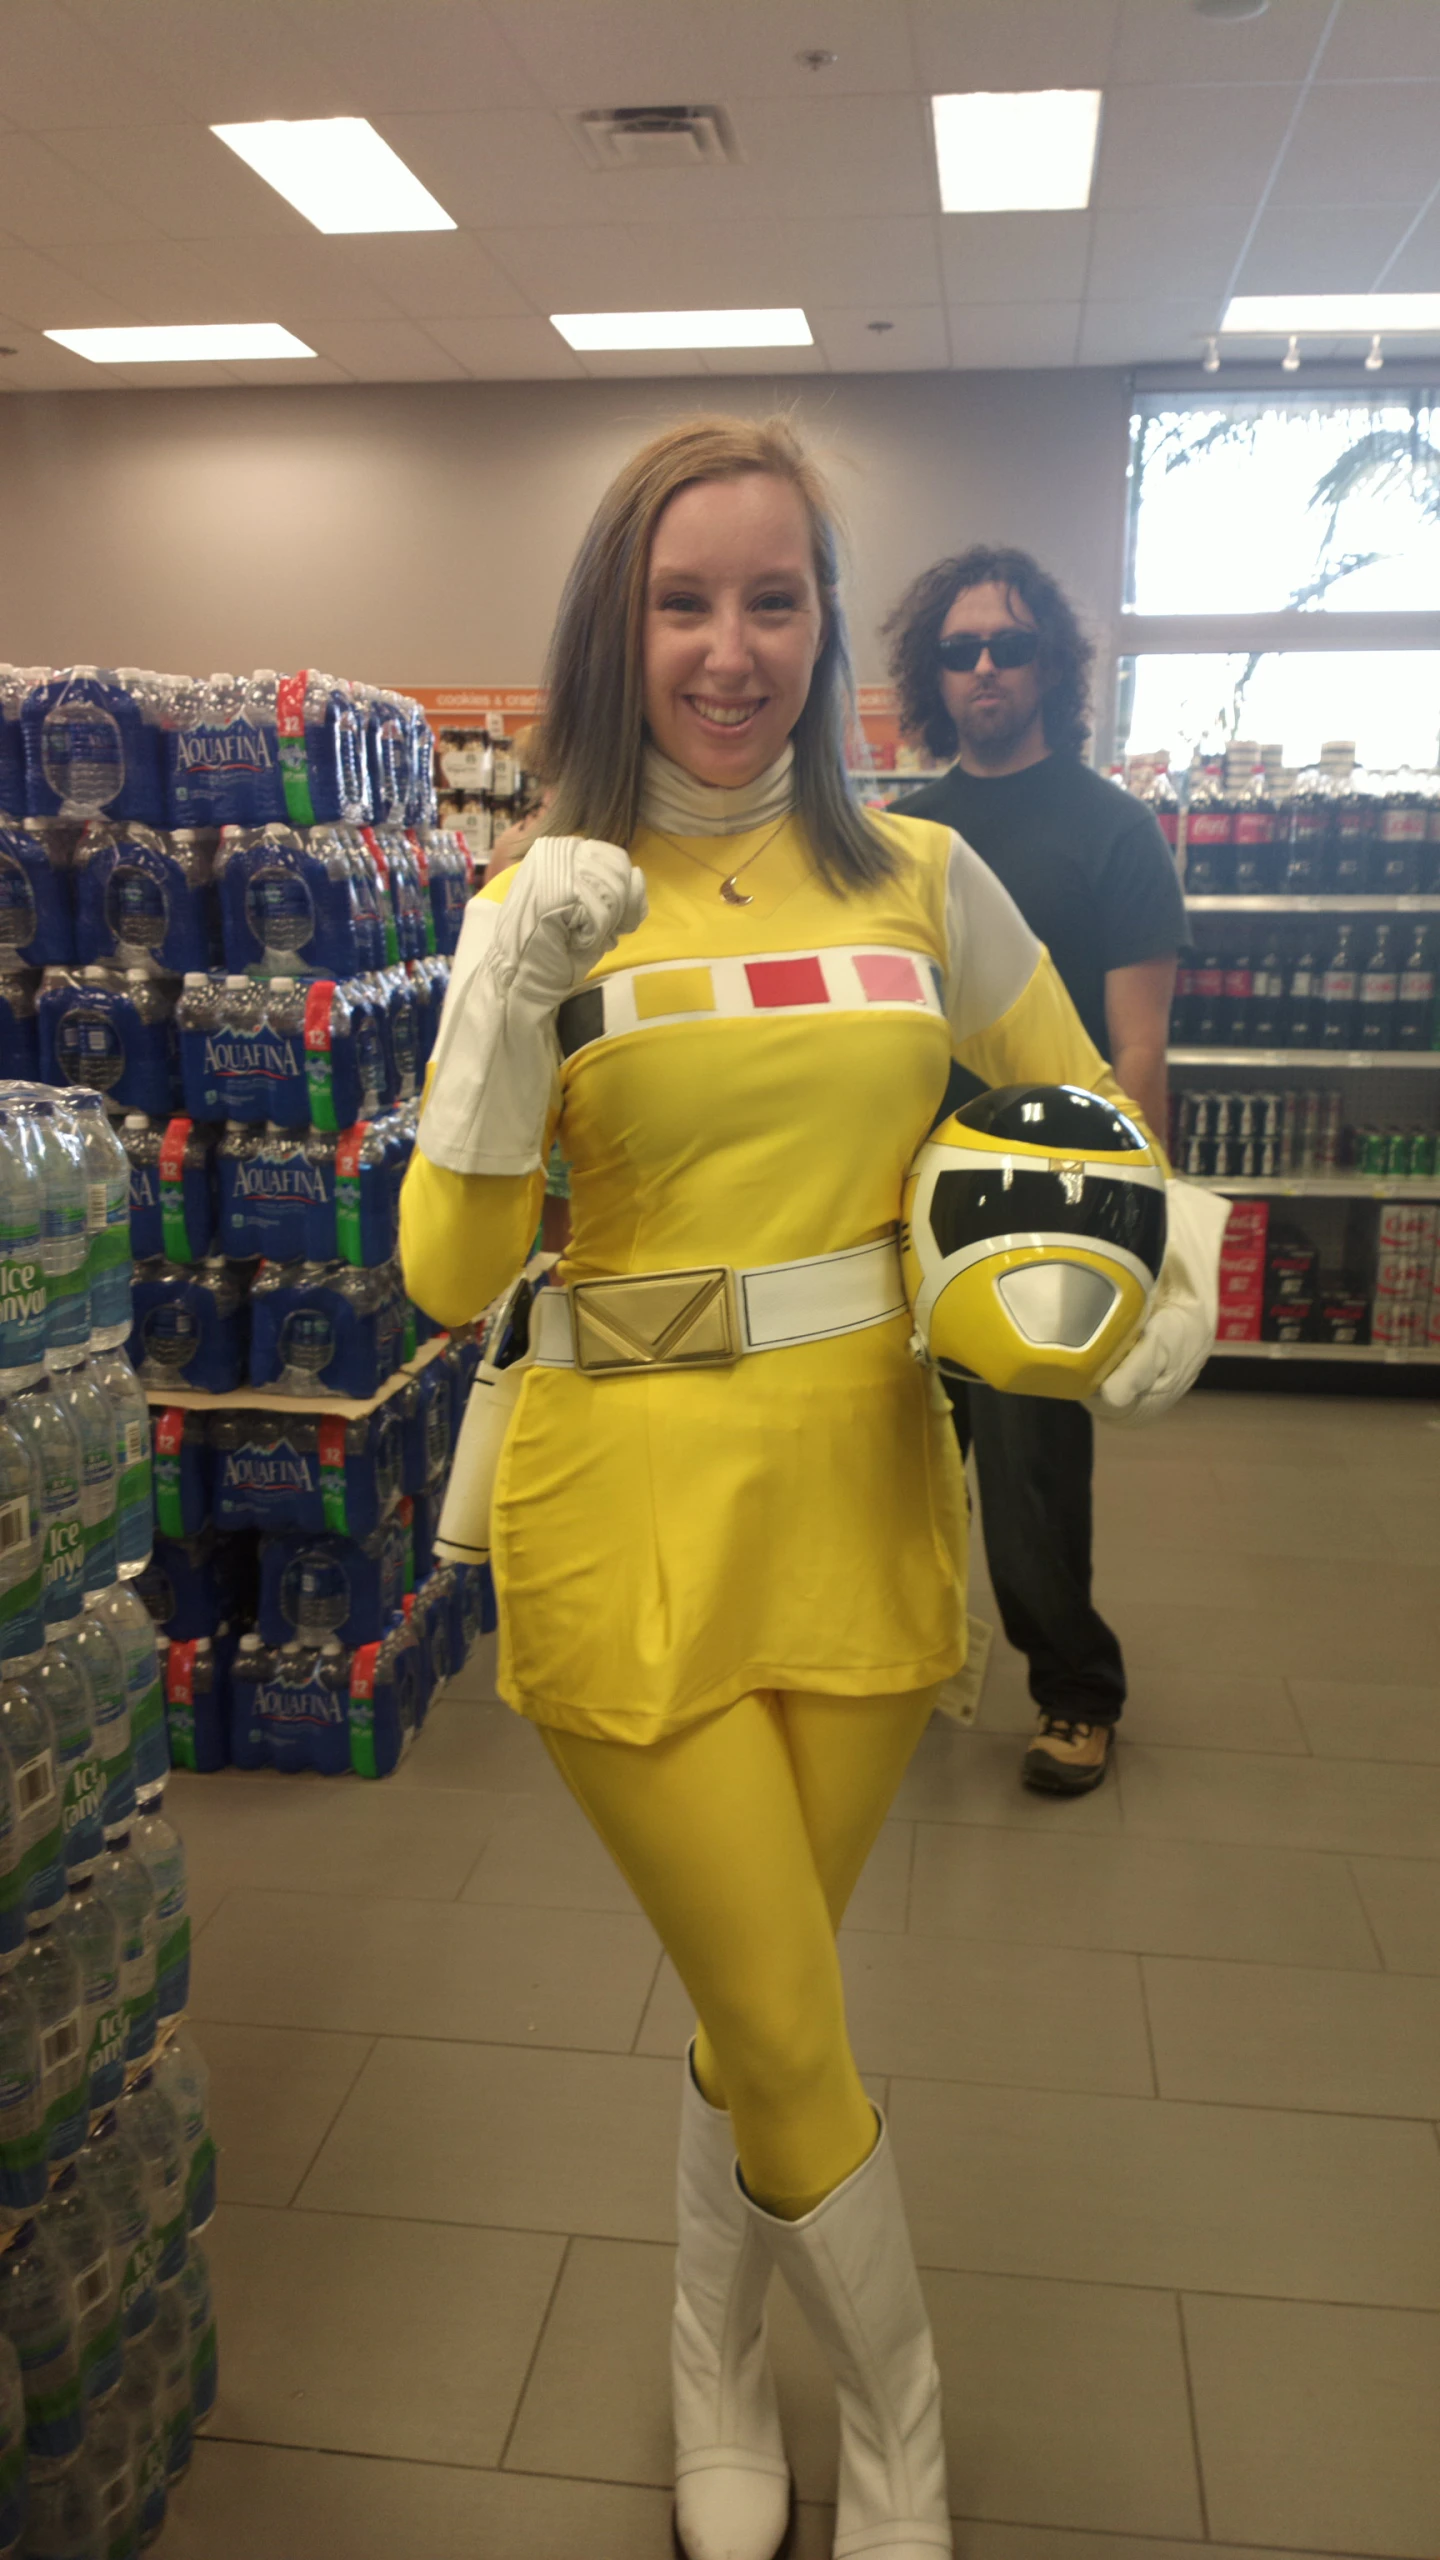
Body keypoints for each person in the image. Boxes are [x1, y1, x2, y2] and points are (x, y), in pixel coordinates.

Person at [399, 421, 1208, 2560]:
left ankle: (704, 2347)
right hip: (619, 1506)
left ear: (834, 631)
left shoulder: (930, 879)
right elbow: (451, 1271)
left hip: (862, 1493)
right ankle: (907, 2430)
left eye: (775, 600)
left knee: (779, 1999)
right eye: (685, 601)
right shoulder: (541, 896)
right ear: (617, 625)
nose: (730, 647)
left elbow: (1076, 1104)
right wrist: (499, 1009)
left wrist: (1149, 1258)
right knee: (773, 1996)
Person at [884, 547, 1188, 1798]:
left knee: (1027, 1468)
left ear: (1051, 665)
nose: (986, 669)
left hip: (1048, 1220)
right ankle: (896, 1673)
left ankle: (1076, 1691)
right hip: (903, 1198)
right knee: (893, 1459)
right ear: (932, 673)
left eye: (1009, 645)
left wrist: (1146, 1248)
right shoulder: (899, 835)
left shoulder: (1113, 829)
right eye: (960, 650)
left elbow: (1137, 1052)